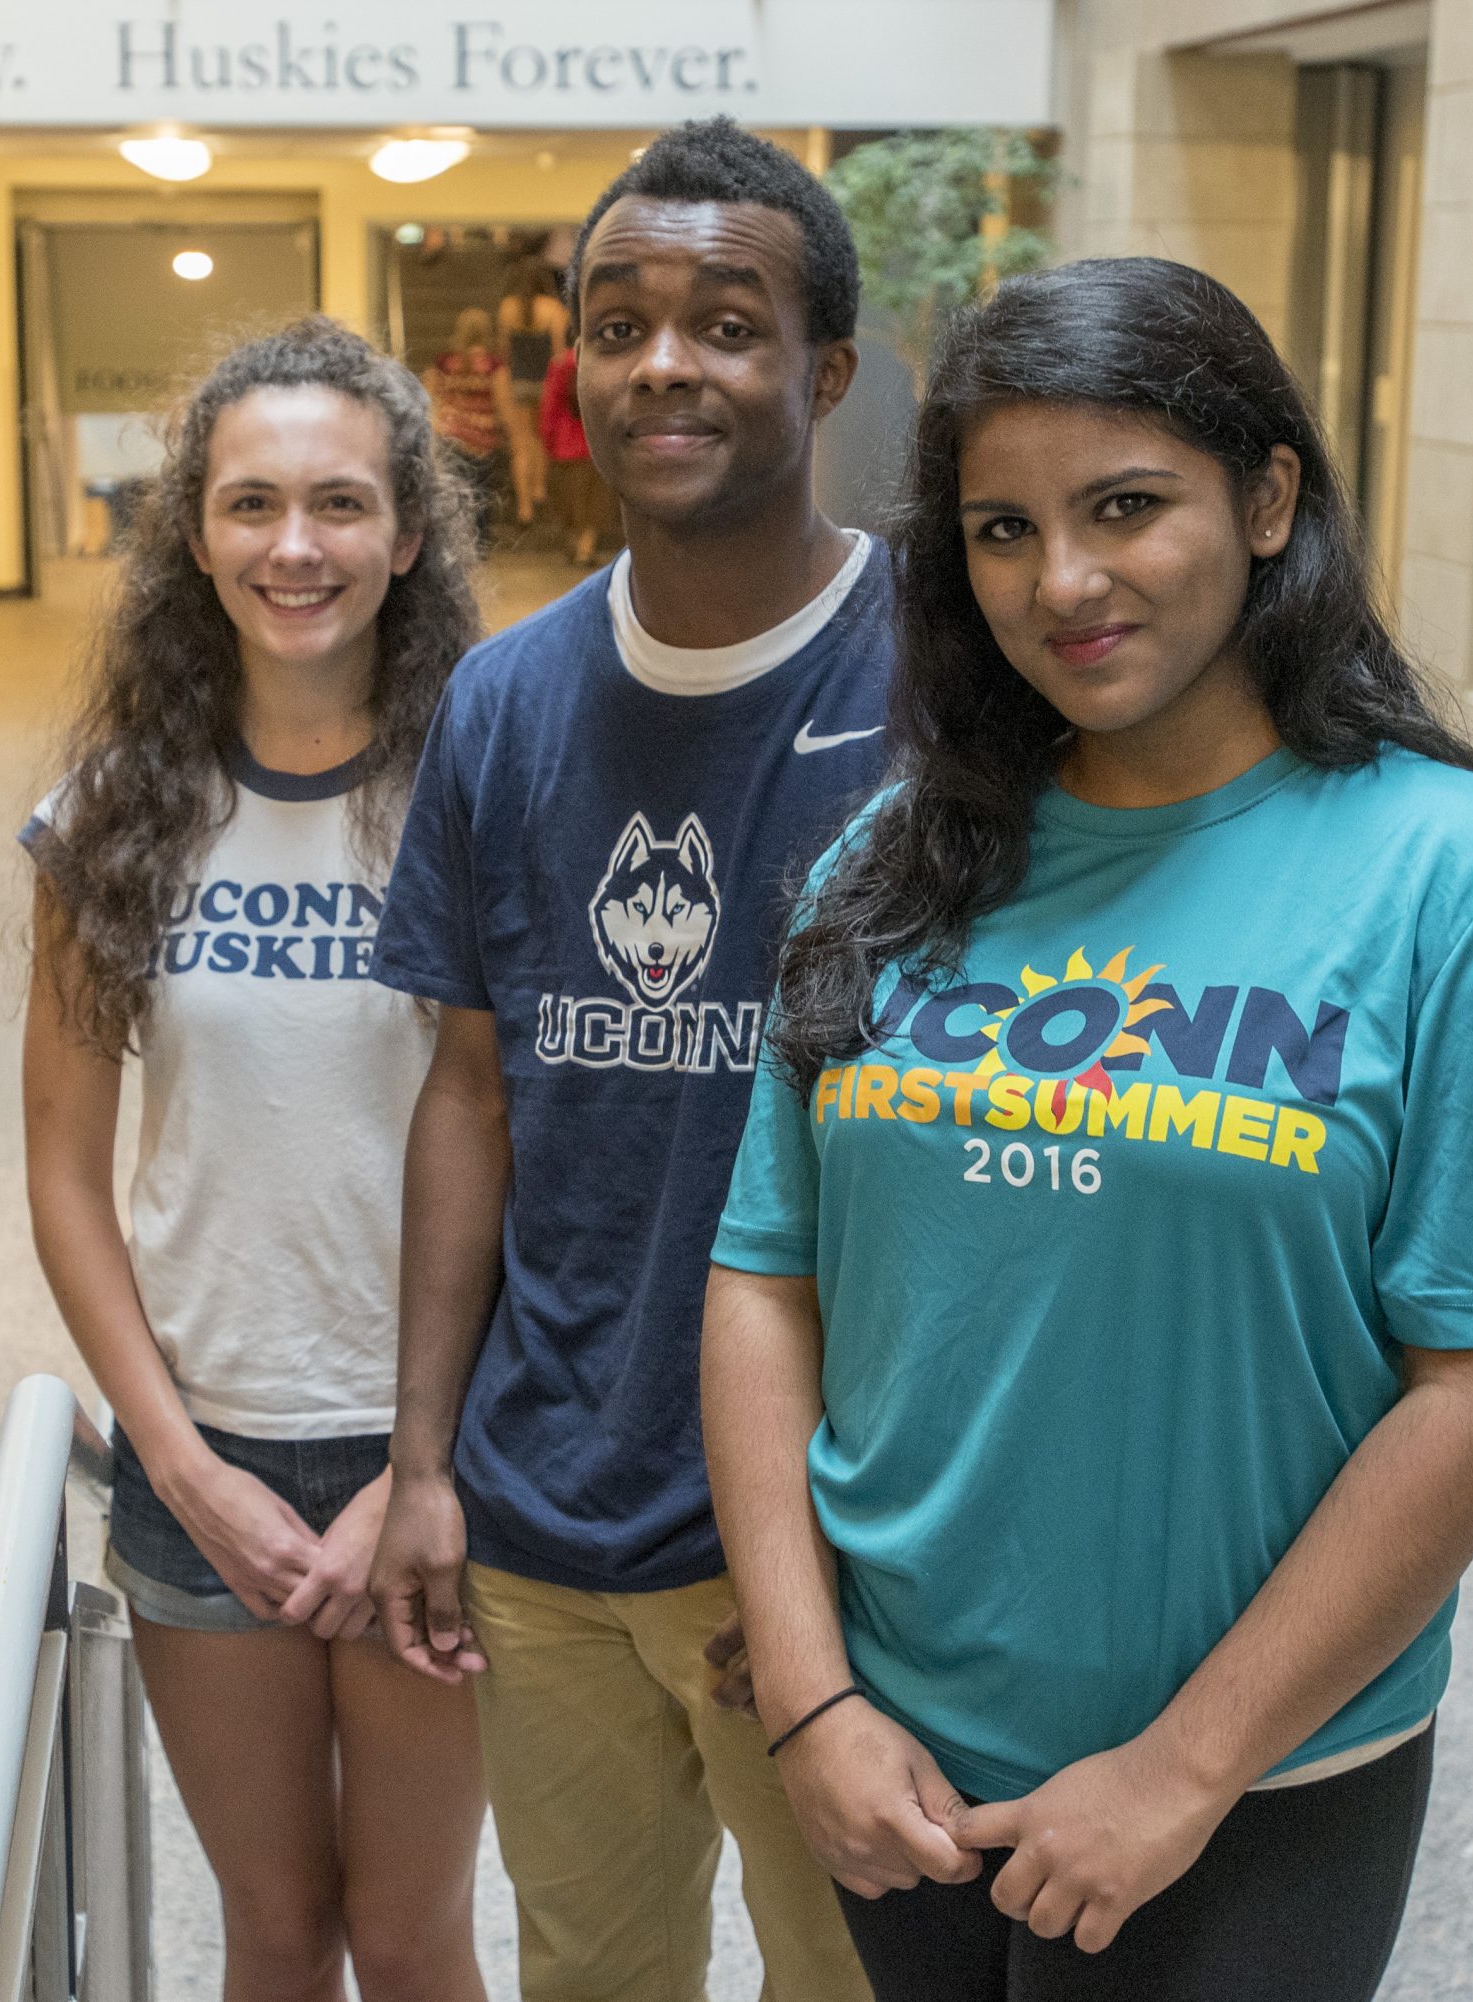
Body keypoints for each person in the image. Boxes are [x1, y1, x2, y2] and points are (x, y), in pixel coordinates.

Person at [702, 258, 1473, 2001]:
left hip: (1256, 1784)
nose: (1063, 582)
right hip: (902, 1764)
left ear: (1270, 496)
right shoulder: (890, 865)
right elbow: (767, 1275)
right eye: (1000, 529)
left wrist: (1185, 1764)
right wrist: (815, 1692)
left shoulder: (1463, 879)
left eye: (1128, 507)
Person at [363, 119, 889, 2002]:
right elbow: (469, 1093)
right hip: (547, 1524)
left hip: (825, 1545)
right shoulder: (504, 700)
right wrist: (426, 1457)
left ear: (825, 368)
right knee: (591, 1974)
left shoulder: (943, 689)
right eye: (621, 321)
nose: (665, 361)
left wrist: (865, 1542)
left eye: (728, 322)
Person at [19, 317, 489, 2002]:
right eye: (252, 504)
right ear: (196, 533)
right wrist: (183, 1463)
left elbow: (538, 1157)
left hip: (427, 1462)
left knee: (414, 1930)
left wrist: (421, 1467)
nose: (296, 547)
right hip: (199, 1452)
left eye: (342, 504)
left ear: (409, 533)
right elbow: (67, 1172)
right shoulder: (118, 811)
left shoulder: (481, 791)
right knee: (276, 1930)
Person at [497, 256, 572, 529]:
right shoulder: (552, 308)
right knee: (541, 440)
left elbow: (504, 350)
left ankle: (524, 507)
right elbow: (558, 353)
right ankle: (539, 489)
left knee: (521, 443)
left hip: (518, 381)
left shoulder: (507, 308)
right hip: (545, 382)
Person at [536, 343, 615, 566]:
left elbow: (550, 404)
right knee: (594, 502)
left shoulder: (559, 365)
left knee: (569, 502)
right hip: (595, 443)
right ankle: (585, 549)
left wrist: (548, 437)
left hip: (565, 443)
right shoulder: (601, 361)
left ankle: (574, 545)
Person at [427, 307, 509, 521]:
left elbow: (430, 394)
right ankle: (479, 542)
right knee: (480, 492)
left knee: (453, 491)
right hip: (483, 438)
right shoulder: (493, 365)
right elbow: (502, 402)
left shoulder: (445, 362)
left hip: (450, 433)